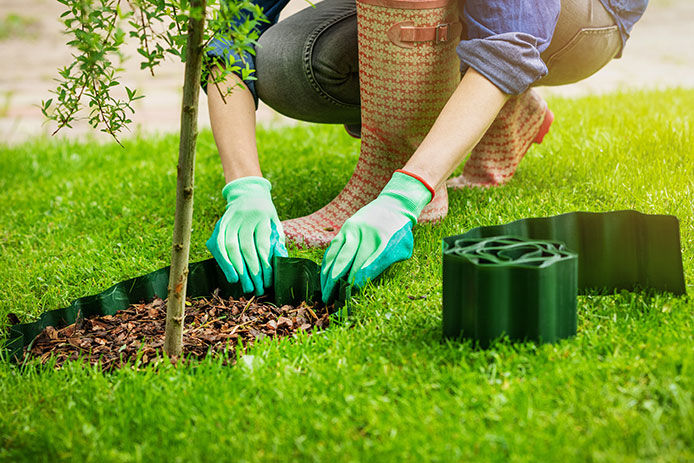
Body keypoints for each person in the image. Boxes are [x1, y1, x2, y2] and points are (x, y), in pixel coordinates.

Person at [204, 0, 648, 302]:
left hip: (581, 16)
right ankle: (495, 107)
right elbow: (233, 37)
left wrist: (405, 195)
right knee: (284, 61)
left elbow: (511, 38)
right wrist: (244, 187)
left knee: (497, 39)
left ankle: (394, 168)